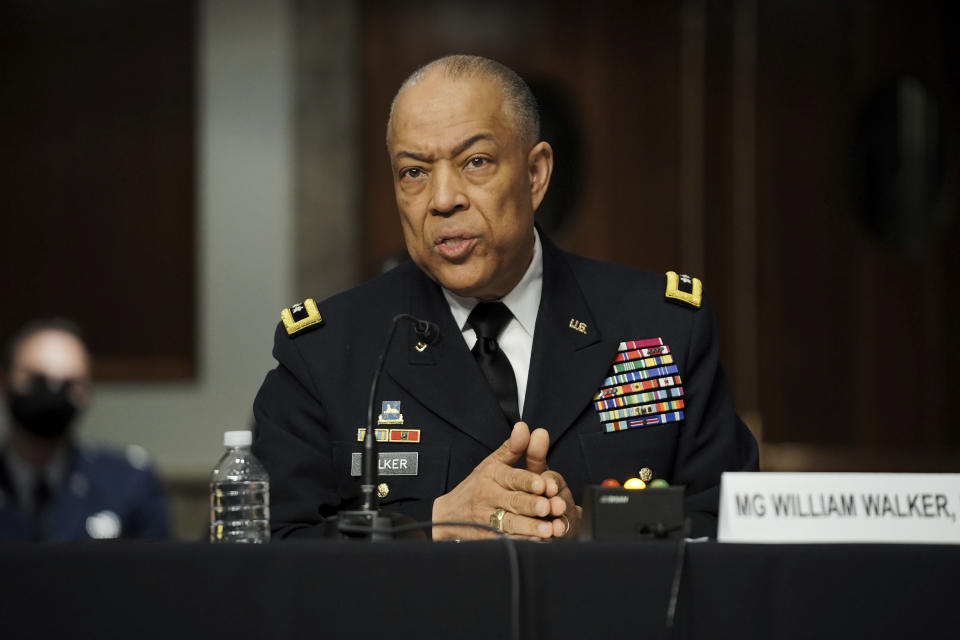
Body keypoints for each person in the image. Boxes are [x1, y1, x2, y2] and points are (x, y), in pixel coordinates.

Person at [252, 55, 758, 540]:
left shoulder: (660, 326)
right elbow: (273, 550)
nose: (443, 198)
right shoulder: (327, 349)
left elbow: (725, 522)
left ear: (535, 174)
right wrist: (432, 525)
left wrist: (591, 532)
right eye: (414, 172)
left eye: (475, 161)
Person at [0, 319, 169, 540]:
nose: (52, 393)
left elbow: (159, 570)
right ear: (4, 381)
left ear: (86, 393)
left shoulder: (128, 483)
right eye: (38, 380)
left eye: (69, 384)